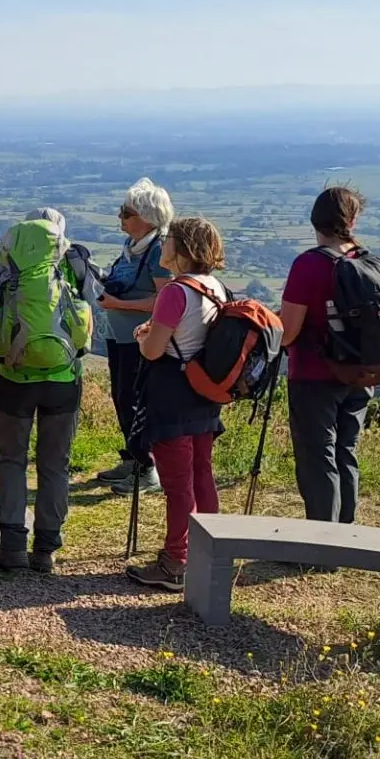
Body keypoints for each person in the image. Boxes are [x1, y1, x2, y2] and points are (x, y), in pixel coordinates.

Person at [127, 218, 230, 591]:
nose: (163, 246)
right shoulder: (216, 287)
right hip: (205, 391)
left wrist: (143, 337)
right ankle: (209, 552)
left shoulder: (175, 291)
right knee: (201, 473)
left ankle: (176, 561)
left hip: (171, 394)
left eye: (168, 240)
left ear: (182, 248)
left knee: (177, 483)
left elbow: (154, 350)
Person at [0, 212, 87, 574]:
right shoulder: (71, 268)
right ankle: (45, 548)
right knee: (55, 464)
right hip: (63, 378)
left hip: (15, 377)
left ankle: (12, 545)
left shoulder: (4, 274)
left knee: (12, 460)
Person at [281, 187, 375, 524]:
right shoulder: (367, 262)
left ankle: (321, 542)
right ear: (352, 220)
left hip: (314, 374)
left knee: (317, 457)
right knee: (345, 452)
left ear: (315, 220)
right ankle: (344, 534)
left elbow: (288, 331)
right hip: (361, 373)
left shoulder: (308, 265)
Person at [97, 178, 174, 496]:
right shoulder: (133, 247)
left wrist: (118, 304)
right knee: (121, 397)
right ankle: (133, 458)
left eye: (126, 212)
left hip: (142, 339)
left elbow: (165, 300)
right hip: (121, 336)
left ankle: (148, 467)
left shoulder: (158, 250)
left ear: (146, 216)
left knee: (134, 400)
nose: (120, 217)